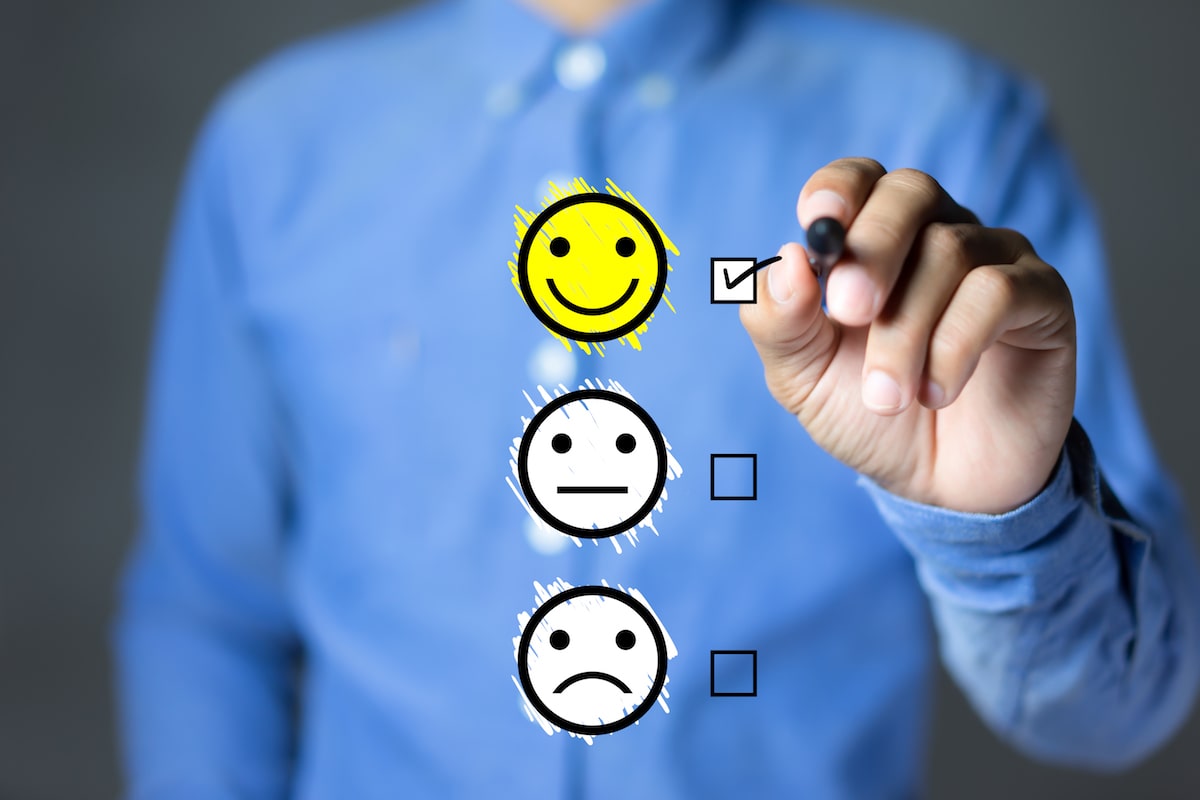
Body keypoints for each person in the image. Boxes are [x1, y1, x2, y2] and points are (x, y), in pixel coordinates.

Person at [114, 0, 1200, 796]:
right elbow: (208, 606)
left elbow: (1117, 711)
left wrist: (1001, 518)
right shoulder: (272, 146)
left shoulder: (954, 127)